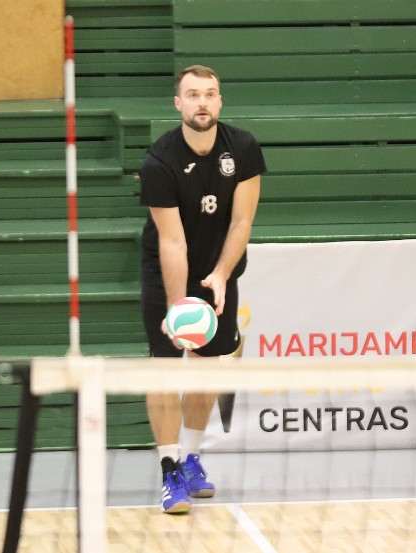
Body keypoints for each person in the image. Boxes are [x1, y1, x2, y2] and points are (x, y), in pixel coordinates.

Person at [139, 65, 266, 514]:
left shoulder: (243, 148)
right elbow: (172, 242)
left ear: (220, 101)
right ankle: (169, 469)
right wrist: (178, 306)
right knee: (165, 369)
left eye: (210, 94)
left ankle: (192, 458)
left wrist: (223, 273)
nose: (202, 102)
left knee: (207, 367)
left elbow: (242, 221)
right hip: (168, 270)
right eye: (192, 95)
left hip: (218, 269)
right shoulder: (160, 161)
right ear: (178, 104)